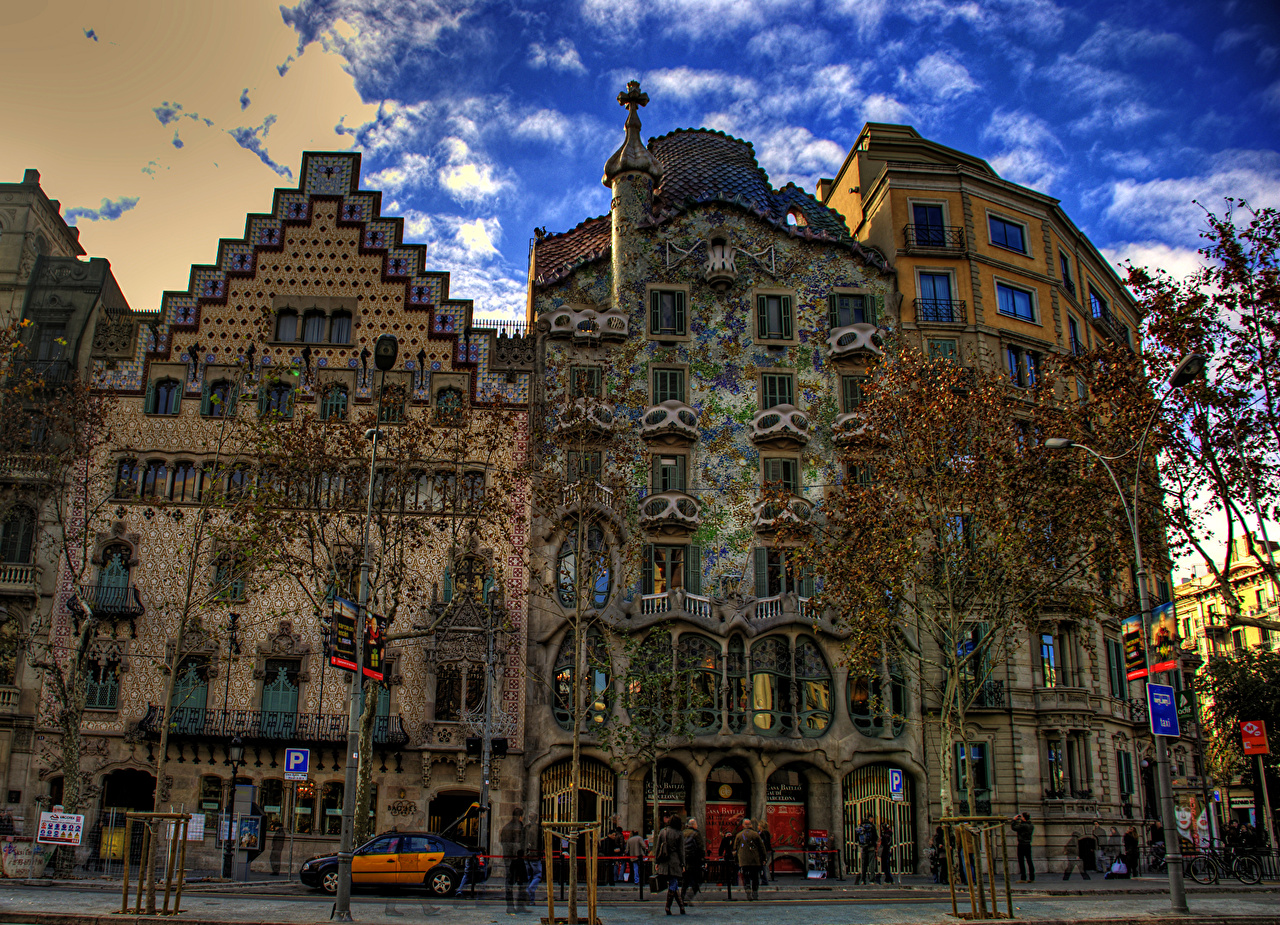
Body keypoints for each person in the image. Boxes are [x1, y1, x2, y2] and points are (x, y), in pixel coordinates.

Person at [654, 813, 686, 915]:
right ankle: (668, 906)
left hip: (664, 860)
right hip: (675, 861)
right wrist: (683, 864)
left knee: (674, 884)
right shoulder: (679, 833)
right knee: (673, 883)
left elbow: (658, 848)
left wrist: (656, 862)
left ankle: (681, 907)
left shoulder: (663, 832)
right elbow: (681, 851)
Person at [501, 807, 528, 914]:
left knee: (511, 883)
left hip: (510, 859)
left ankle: (513, 906)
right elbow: (519, 844)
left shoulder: (507, 827)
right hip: (516, 859)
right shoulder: (518, 827)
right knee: (518, 883)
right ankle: (517, 906)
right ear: (520, 816)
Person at [734, 818, 767, 901]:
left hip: (743, 861)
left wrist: (737, 859)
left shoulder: (739, 835)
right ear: (751, 825)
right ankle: (755, 892)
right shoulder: (756, 834)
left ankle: (748, 890)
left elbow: (735, 848)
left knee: (746, 877)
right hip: (755, 860)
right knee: (755, 877)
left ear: (743, 825)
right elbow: (761, 847)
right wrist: (764, 858)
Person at [681, 818, 704, 904]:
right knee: (696, 879)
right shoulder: (696, 834)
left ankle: (682, 897)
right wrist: (703, 860)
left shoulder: (682, 833)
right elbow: (701, 847)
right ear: (694, 825)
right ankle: (689, 897)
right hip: (694, 859)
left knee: (685, 881)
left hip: (684, 860)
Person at [1010, 813, 1035, 883]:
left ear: (1024, 818)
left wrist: (1014, 820)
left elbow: (1014, 828)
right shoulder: (1031, 825)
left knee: (1021, 861)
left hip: (1022, 844)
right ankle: (1032, 877)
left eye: (1021, 817)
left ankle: (1023, 877)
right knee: (1029, 861)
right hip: (1028, 844)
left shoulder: (1023, 826)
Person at [525, 812, 544, 905]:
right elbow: (540, 842)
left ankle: (531, 900)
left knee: (530, 877)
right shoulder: (537, 829)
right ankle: (530, 889)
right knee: (537, 875)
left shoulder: (526, 828)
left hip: (527, 856)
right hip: (535, 855)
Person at [855, 817, 878, 885]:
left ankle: (863, 880)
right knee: (871, 864)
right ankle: (872, 880)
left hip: (863, 848)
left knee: (863, 865)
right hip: (871, 847)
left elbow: (857, 837)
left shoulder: (861, 827)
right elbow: (875, 837)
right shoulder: (872, 827)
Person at [718, 826, 738, 900]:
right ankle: (731, 882)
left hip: (731, 856)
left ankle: (733, 882)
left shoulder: (729, 839)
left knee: (732, 871)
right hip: (729, 856)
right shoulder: (727, 840)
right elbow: (721, 848)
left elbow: (721, 849)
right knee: (730, 871)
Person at [879, 819, 893, 884]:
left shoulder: (885, 836)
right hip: (887, 851)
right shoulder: (889, 835)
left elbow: (884, 844)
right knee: (886, 866)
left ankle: (889, 879)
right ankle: (889, 879)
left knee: (885, 866)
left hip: (885, 852)